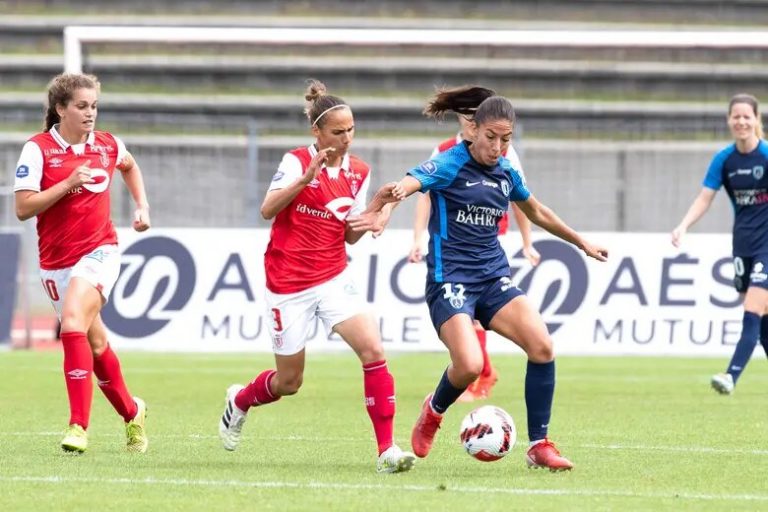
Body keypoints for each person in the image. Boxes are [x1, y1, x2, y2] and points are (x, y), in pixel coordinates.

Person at [353, 94, 608, 471]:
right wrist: (386, 206)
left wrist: (581, 241)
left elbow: (536, 211)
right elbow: (410, 184)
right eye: (492, 137)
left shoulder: (506, 171)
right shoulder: (449, 163)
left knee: (542, 346)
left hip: (492, 278)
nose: (499, 147)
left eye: (507, 139)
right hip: (449, 280)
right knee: (470, 365)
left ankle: (539, 445)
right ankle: (433, 411)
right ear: (473, 131)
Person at [217, 79, 415, 474]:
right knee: (289, 382)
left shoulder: (359, 171)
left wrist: (375, 208)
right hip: (288, 283)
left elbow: (349, 235)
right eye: (338, 131)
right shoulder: (295, 161)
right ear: (317, 132)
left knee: (373, 352)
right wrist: (305, 179)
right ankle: (239, 401)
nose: (346, 138)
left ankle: (386, 451)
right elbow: (267, 210)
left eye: (351, 129)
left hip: (334, 276)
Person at [14, 73, 150, 454]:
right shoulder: (38, 149)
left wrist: (142, 206)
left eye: (94, 106)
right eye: (81, 106)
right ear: (61, 109)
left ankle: (78, 425)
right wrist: (67, 183)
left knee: (72, 322)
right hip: (55, 260)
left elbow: (129, 165)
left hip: (100, 251)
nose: (90, 114)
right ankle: (132, 412)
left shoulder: (107, 144)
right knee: (96, 343)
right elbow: (23, 208)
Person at [408, 85, 541, 402]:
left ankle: (481, 375)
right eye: (467, 117)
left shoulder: (505, 154)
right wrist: (416, 238)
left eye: (474, 116)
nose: (471, 123)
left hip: (488, 237)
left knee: (480, 311)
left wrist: (527, 241)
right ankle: (478, 373)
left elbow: (523, 199)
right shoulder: (444, 153)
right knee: (468, 315)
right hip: (452, 241)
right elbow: (423, 193)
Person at [672, 93, 768, 395]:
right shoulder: (724, 160)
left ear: (756, 120)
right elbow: (705, 197)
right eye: (735, 116)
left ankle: (730, 375)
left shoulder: (766, 155)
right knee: (763, 322)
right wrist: (683, 225)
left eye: (746, 116)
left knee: (752, 310)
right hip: (742, 245)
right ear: (729, 120)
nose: (741, 121)